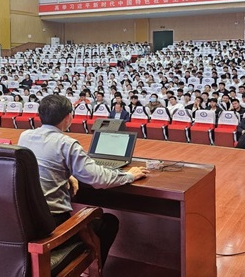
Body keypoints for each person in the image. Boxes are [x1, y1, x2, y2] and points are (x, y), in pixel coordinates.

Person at [18, 95, 149, 267]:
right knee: (108, 222)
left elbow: (40, 165)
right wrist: (130, 175)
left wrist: (67, 174)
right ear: (68, 117)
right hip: (51, 229)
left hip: (27, 226)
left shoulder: (25, 137)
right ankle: (95, 269)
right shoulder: (66, 144)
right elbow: (97, 178)